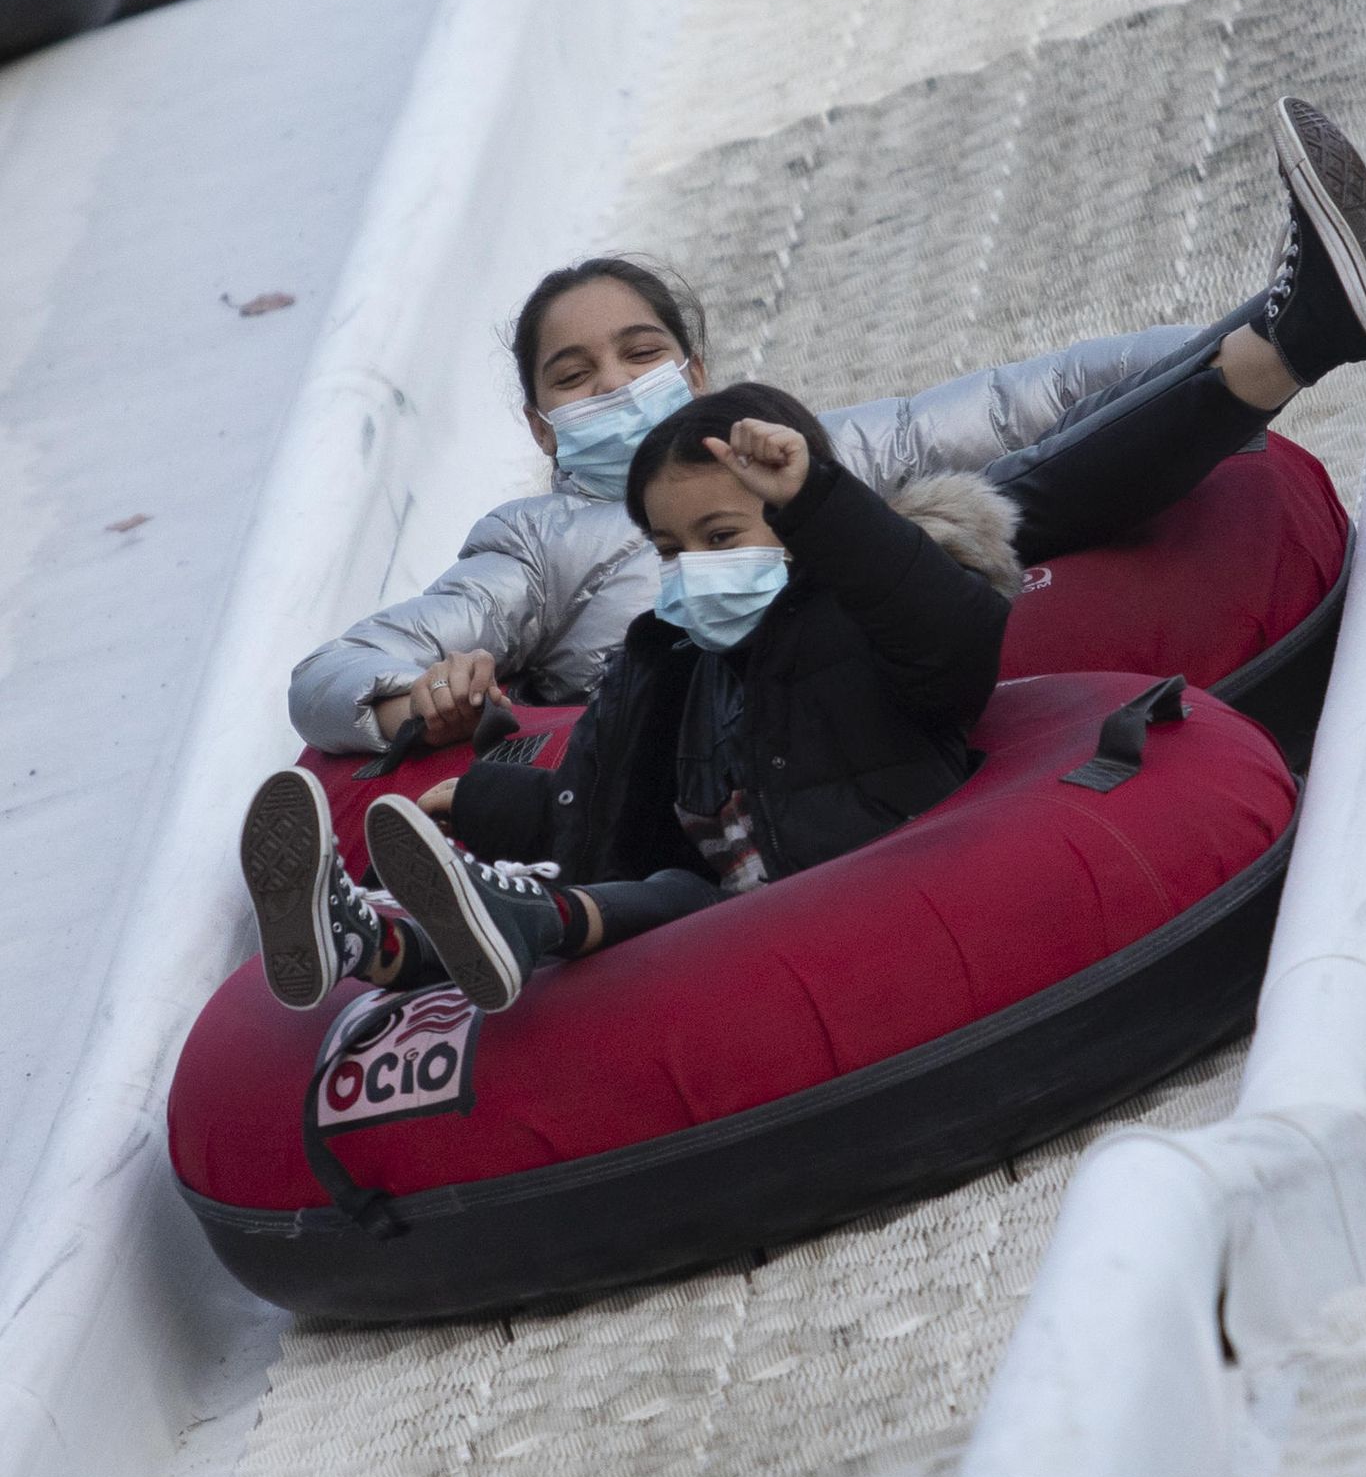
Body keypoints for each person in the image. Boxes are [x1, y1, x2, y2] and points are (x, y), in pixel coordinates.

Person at [286, 25, 1366, 757]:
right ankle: (1322, 313)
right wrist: (405, 704)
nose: (614, 382)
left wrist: (1240, 313)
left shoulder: (787, 455)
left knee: (992, 479)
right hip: (739, 725)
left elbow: (1034, 397)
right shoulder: (540, 538)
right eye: (575, 374)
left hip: (876, 652)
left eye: (637, 352)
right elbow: (330, 672)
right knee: (970, 511)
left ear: (692, 373)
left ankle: (1356, 279)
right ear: (541, 424)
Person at [242, 384, 1020, 1013]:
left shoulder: (868, 623)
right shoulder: (682, 668)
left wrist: (819, 497)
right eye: (671, 550)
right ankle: (374, 940)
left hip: (873, 904)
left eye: (722, 537)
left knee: (676, 896)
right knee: (657, 890)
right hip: (720, 940)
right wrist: (485, 801)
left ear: (798, 523)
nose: (694, 567)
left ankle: (515, 915)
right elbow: (609, 810)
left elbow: (952, 636)